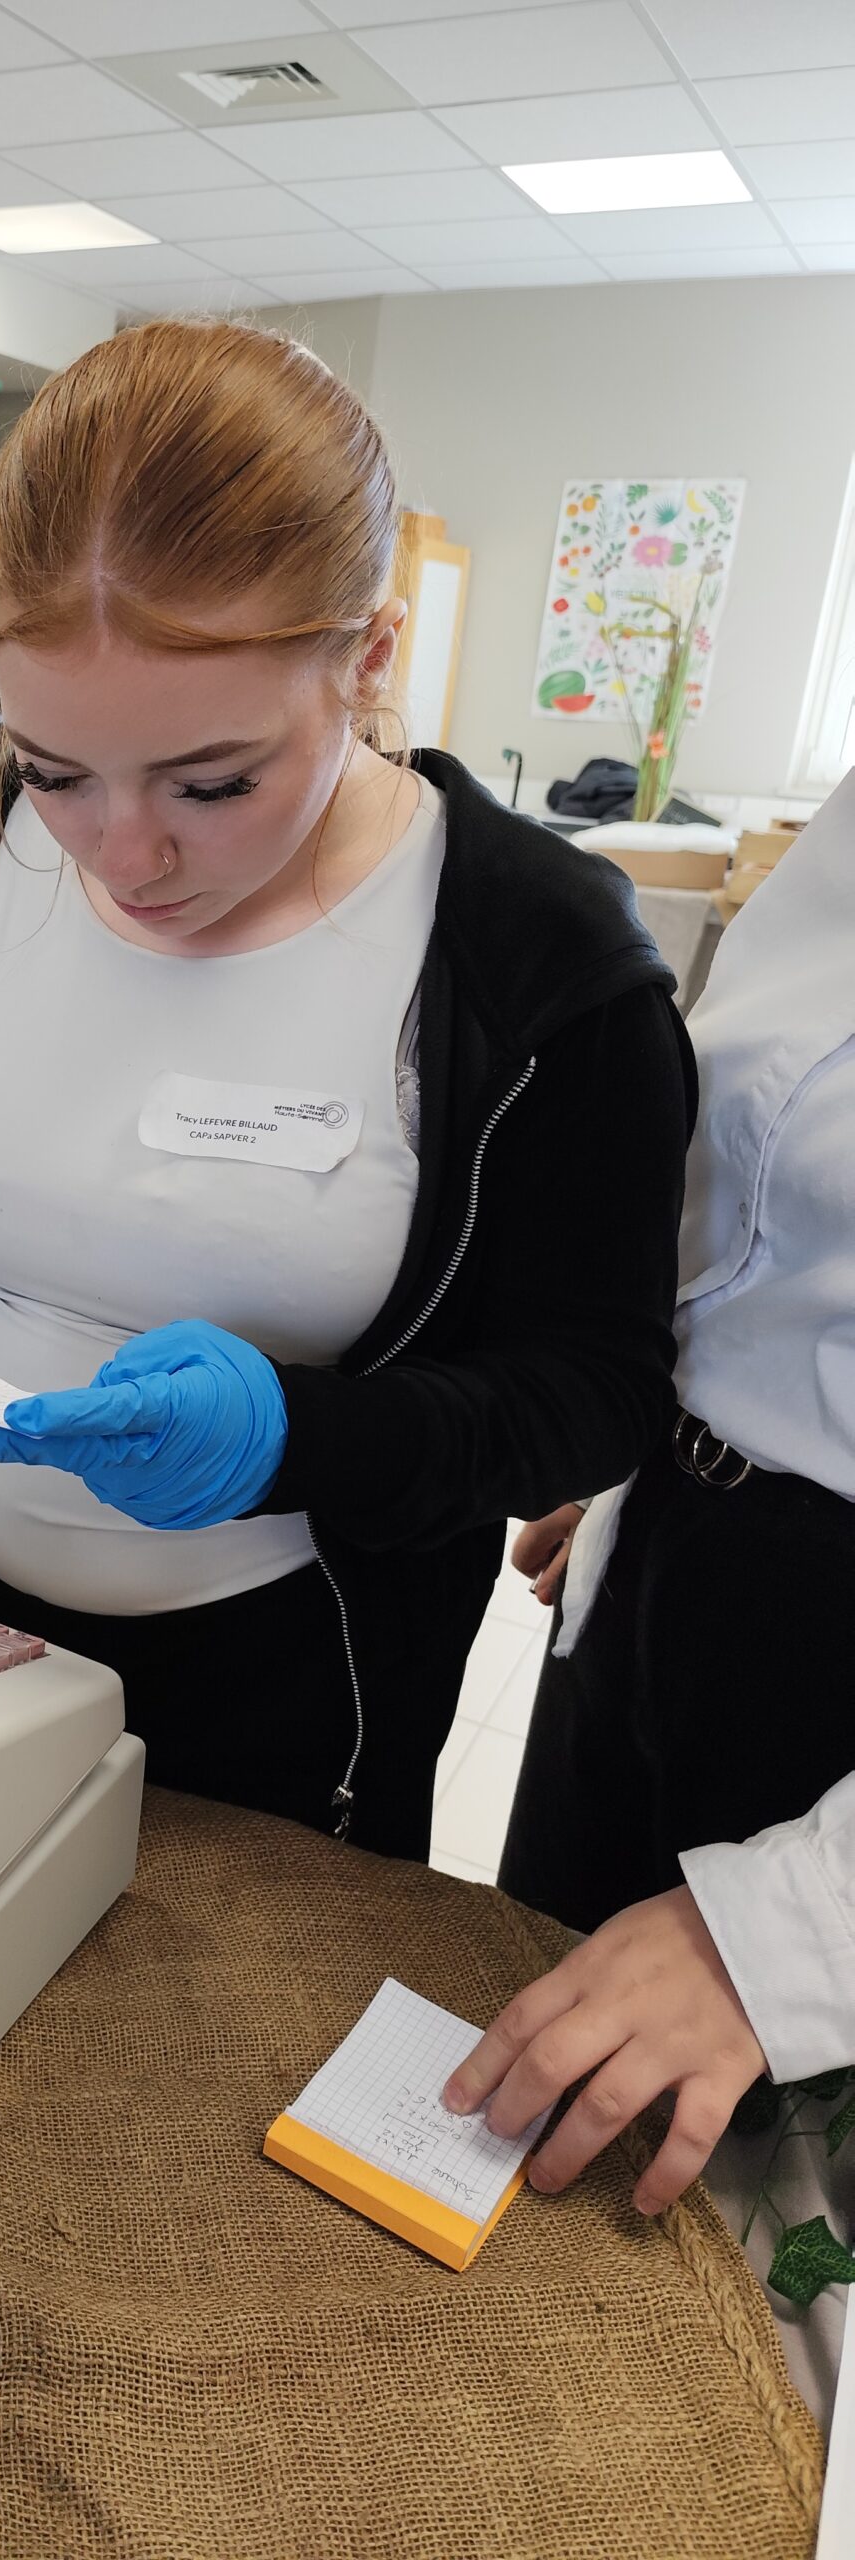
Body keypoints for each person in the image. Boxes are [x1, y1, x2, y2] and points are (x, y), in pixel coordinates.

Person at [0, 318, 693, 1860]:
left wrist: (294, 1442)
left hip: (292, 1700)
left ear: (369, 660)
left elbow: (596, 1390)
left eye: (213, 782)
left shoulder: (534, 958)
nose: (125, 857)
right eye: (53, 771)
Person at [446, 773, 855, 2211]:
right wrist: (669, 1463)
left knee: (731, 2245)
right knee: (521, 2088)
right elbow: (765, 1226)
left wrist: (787, 1938)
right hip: (677, 1549)